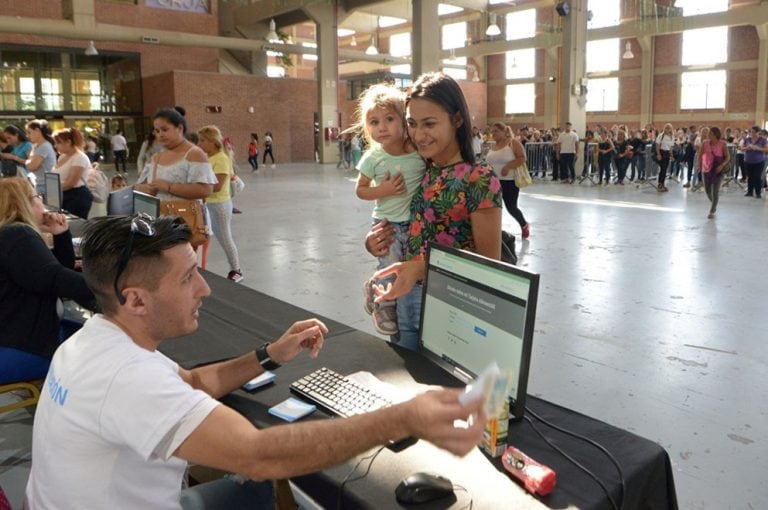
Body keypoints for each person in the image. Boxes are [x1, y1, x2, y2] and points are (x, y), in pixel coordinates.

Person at [25, 214, 485, 509]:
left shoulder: (92, 340)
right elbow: (260, 455)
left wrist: (270, 354)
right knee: (260, 480)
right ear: (137, 300)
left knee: (257, 495)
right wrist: (403, 417)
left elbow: (191, 381)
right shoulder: (127, 378)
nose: (205, 289)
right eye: (189, 279)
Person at [366, 72, 502, 350]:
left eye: (429, 124)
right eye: (412, 124)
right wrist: (373, 242)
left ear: (457, 120)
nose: (418, 135)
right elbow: (398, 220)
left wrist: (421, 269)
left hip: (449, 309)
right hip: (402, 301)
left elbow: (491, 266)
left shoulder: (478, 178)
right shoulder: (422, 169)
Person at [0, 177, 96, 385]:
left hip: (13, 337)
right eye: (37, 196)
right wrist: (109, 286)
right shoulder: (17, 235)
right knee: (103, 346)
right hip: (21, 345)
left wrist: (60, 234)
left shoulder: (9, 234)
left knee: (94, 335)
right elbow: (55, 278)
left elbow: (51, 271)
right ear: (23, 202)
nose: (41, 202)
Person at [354, 83, 426, 337]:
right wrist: (382, 190)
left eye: (389, 119)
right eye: (373, 122)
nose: (381, 127)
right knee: (391, 261)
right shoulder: (373, 158)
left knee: (403, 266)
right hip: (388, 222)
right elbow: (361, 190)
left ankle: (376, 287)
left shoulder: (418, 153)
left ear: (404, 122)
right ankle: (383, 303)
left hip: (414, 223)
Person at [134, 108, 216, 217]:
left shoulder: (195, 154)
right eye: (157, 131)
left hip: (187, 222)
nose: (160, 135)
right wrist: (142, 188)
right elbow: (140, 184)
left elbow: (206, 190)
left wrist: (169, 187)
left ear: (180, 128)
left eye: (165, 129)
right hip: (160, 221)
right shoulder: (155, 157)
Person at [198, 125, 244, 283]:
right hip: (207, 204)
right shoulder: (206, 157)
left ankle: (236, 269)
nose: (200, 144)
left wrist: (196, 189)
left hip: (219, 205)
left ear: (213, 142)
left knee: (225, 238)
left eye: (203, 140)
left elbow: (217, 186)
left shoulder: (222, 159)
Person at [485, 122, 530, 239]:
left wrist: (508, 166)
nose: (493, 134)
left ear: (504, 131)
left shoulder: (513, 143)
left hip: (509, 181)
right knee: (492, 207)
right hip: (493, 182)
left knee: (511, 207)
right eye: (492, 131)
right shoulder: (493, 146)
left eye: (496, 131)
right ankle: (493, 230)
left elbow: (522, 158)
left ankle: (524, 224)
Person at [52, 127, 94, 219]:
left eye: (58, 142)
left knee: (73, 226)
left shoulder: (79, 157)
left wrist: (52, 188)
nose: (55, 146)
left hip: (77, 196)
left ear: (68, 142)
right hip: (63, 194)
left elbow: (71, 183)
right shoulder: (62, 156)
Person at [697, 126, 730, 219]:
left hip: (718, 169)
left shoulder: (722, 144)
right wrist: (699, 165)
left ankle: (712, 210)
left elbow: (728, 157)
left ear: (715, 135)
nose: (708, 135)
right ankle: (715, 203)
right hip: (706, 169)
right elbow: (700, 155)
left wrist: (722, 165)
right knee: (707, 191)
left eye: (710, 133)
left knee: (715, 191)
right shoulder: (705, 143)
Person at [22, 120, 58, 194]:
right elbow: (31, 165)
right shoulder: (37, 146)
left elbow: (32, 167)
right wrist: (30, 161)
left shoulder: (44, 146)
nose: (27, 136)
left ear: (37, 130)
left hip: (45, 186)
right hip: (41, 184)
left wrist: (28, 161)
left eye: (29, 132)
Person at [743, 125, 768, 198]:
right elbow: (742, 148)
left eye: (754, 132)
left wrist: (757, 148)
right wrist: (746, 148)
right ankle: (750, 192)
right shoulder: (747, 139)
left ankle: (758, 193)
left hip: (759, 162)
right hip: (748, 161)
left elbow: (766, 149)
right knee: (750, 177)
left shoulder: (763, 140)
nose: (752, 134)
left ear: (758, 132)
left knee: (757, 177)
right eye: (751, 132)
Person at [654, 123, 675, 192]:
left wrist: (671, 156)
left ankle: (662, 184)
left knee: (665, 169)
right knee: (663, 169)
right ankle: (660, 184)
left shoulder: (672, 137)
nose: (667, 129)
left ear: (671, 129)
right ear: (664, 128)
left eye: (669, 128)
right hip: (661, 152)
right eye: (666, 127)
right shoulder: (661, 136)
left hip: (667, 154)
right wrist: (658, 154)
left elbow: (670, 148)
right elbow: (657, 145)